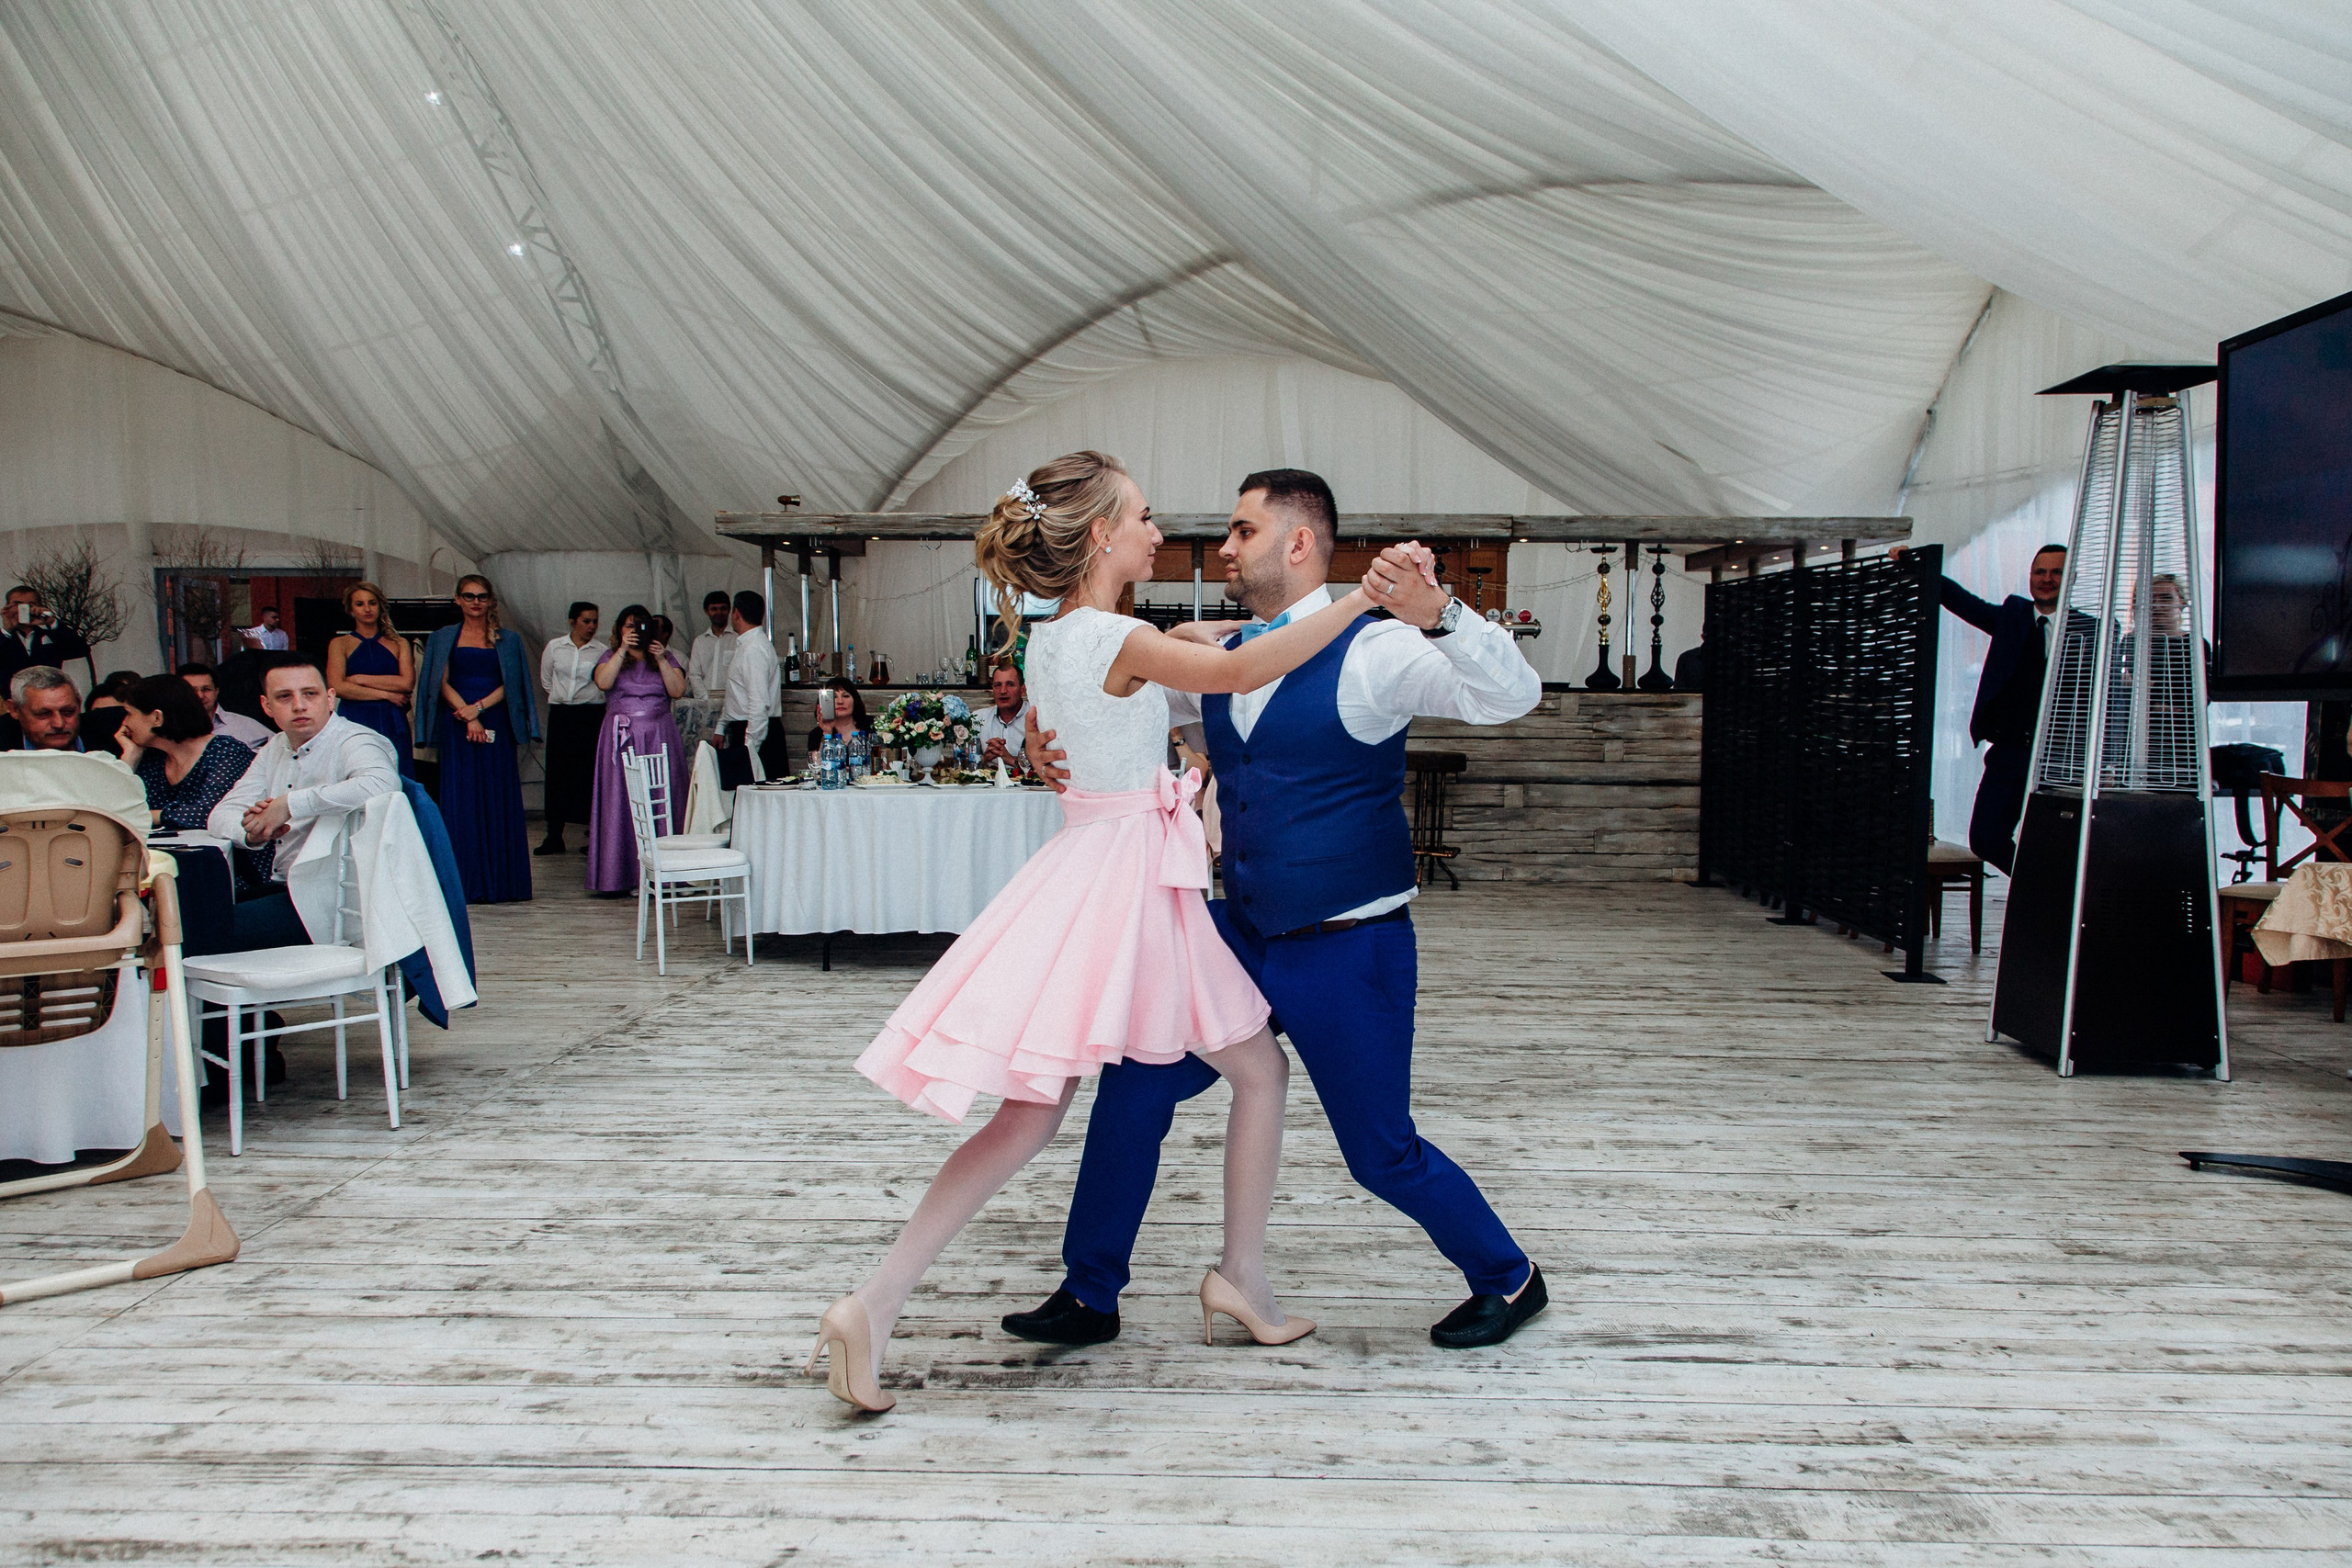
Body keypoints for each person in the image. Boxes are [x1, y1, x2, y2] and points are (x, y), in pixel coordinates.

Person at [808, 449, 1384, 1416]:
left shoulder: (1057, 640)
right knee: (1257, 1071)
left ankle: (876, 1301)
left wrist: (1204, 639)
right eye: (1147, 516)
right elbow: (1236, 669)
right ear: (1105, 534)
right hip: (1129, 889)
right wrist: (1357, 602)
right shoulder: (1118, 637)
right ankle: (1242, 1277)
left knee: (1029, 1118)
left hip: (1090, 872)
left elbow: (1163, 666)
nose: (1163, 532)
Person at [1013, 467, 1550, 1354]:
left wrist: (1441, 613)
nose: (1223, 548)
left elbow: (1511, 696)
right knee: (1137, 1081)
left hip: (1350, 946)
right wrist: (1040, 739)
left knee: (1380, 1152)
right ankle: (1089, 1289)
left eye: (1242, 532)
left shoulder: (1375, 651)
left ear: (1299, 544)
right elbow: (1108, 699)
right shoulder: (1223, 655)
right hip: (1241, 930)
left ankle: (1509, 1276)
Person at [206, 657, 401, 949]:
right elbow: (221, 813)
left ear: (330, 698)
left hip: (334, 904)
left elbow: (383, 785)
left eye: (310, 694)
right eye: (285, 696)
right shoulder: (276, 745)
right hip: (287, 889)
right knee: (190, 913)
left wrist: (290, 804)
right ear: (266, 706)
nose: (299, 705)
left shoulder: (355, 740)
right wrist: (251, 831)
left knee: (199, 932)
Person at [1905, 543, 2065, 874]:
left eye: (2056, 572)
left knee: (2059, 841)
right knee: (1985, 837)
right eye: (2040, 571)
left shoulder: (2092, 629)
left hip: (2061, 759)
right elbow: (1963, 602)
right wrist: (1915, 564)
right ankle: (2039, 887)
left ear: (2071, 577)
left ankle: (2053, 902)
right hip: (2010, 753)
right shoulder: (2012, 617)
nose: (2046, 579)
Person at [417, 573, 537, 903]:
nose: (475, 602)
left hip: (495, 718)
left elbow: (514, 683)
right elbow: (437, 681)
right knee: (462, 799)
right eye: (468, 596)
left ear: (490, 601)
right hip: (457, 722)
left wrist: (479, 709)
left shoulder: (508, 639)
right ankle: (464, 883)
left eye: (481, 596)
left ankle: (503, 882)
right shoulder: (442, 637)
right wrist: (467, 713)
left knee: (498, 796)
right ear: (457, 599)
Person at [586, 603, 688, 896]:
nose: (636, 632)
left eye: (641, 627)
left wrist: (660, 657)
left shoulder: (665, 657)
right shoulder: (610, 656)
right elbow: (603, 683)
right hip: (621, 739)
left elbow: (677, 691)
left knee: (663, 798)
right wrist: (621, 650)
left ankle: (666, 872)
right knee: (622, 801)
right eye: (629, 626)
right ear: (619, 629)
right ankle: (623, 874)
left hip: (659, 734)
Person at [119, 673, 254, 831]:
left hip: (226, 854)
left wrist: (144, 816)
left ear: (157, 718)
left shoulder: (227, 752)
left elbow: (211, 814)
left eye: (129, 713)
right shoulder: (154, 757)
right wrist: (130, 758)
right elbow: (115, 810)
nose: (125, 723)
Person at [326, 582, 415, 776]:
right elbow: (338, 686)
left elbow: (406, 683)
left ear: (380, 606)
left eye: (372, 603)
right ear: (351, 610)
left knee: (397, 774)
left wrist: (359, 679)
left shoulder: (400, 643)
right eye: (360, 604)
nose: (367, 609)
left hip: (392, 719)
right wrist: (386, 694)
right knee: (356, 772)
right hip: (355, 717)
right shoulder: (340, 644)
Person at [537, 601, 604, 856]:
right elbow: (546, 680)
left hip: (591, 715)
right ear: (572, 622)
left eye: (595, 621)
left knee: (588, 772)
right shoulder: (555, 647)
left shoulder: (601, 650)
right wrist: (562, 697)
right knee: (557, 773)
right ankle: (554, 835)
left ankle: (592, 834)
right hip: (563, 713)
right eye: (586, 621)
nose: (591, 626)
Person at [715, 591, 784, 781]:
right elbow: (736, 694)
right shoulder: (747, 645)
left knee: (757, 798)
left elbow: (759, 703)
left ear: (735, 613)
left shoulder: (754, 648)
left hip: (756, 732)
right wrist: (721, 727)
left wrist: (750, 748)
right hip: (745, 728)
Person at [0, 584, 94, 692]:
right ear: (7, 607)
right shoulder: (4, 638)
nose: (24, 610)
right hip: (11, 698)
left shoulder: (52, 634)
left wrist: (51, 622)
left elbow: (81, 649)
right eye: (17, 605)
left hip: (47, 696)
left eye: (31, 605)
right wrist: (7, 629)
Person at [177, 661, 273, 750]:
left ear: (216, 692)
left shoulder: (243, 725)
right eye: (192, 690)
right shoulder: (171, 729)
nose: (200, 696)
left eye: (206, 689)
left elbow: (281, 749)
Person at [7, 666, 85, 750]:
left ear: (79, 706)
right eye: (43, 714)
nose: (59, 724)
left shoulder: (100, 731)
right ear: (15, 710)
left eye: (68, 712)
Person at [974, 660, 1031, 767]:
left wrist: (1009, 759)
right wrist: (984, 758)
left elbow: (1045, 765)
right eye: (998, 685)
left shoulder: (1035, 718)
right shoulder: (978, 719)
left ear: (1022, 690)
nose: (1003, 691)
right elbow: (963, 766)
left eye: (1010, 684)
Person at [803, 677, 870, 765]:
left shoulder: (871, 726)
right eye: (834, 697)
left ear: (855, 700)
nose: (840, 701)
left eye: (845, 696)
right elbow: (817, 767)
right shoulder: (816, 734)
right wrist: (827, 732)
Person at [687, 590, 738, 699]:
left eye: (723, 608)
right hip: (705, 702)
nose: (719, 613)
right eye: (714, 609)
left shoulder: (738, 639)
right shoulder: (700, 642)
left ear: (729, 610)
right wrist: (705, 698)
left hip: (733, 702)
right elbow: (694, 675)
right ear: (706, 611)